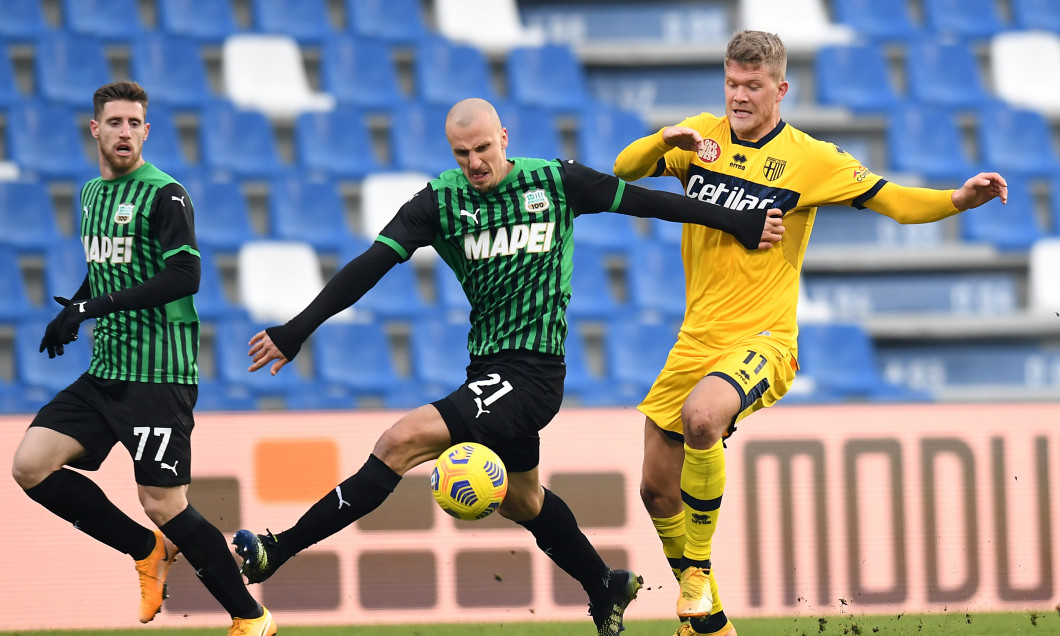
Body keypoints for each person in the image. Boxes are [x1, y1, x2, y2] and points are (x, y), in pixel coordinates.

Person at [230, 97, 784, 636]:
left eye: (483, 149)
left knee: (399, 440)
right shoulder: (438, 203)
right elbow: (370, 266)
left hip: (536, 374)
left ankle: (279, 550)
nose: (474, 163)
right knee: (522, 500)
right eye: (461, 153)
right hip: (488, 372)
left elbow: (647, 202)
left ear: (505, 141)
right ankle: (604, 583)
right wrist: (297, 329)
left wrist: (736, 222)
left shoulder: (555, 181)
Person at [612, 30, 1008, 636]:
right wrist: (663, 139)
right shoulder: (700, 137)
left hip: (765, 338)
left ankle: (694, 576)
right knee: (656, 490)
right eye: (731, 83)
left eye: (752, 86)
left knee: (702, 419)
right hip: (695, 338)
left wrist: (957, 199)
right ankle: (711, 622)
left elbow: (894, 201)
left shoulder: (810, 158)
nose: (738, 97)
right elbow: (623, 169)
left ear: (780, 88)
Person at [9, 81, 277, 636]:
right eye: (115, 123)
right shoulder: (90, 196)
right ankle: (144, 550)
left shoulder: (165, 195)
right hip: (106, 369)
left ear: (146, 131)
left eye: (134, 123)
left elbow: (185, 275)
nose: (125, 132)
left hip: (159, 373)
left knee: (163, 502)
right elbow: (110, 268)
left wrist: (90, 305)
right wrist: (77, 305)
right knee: (31, 465)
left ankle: (251, 618)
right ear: (95, 129)